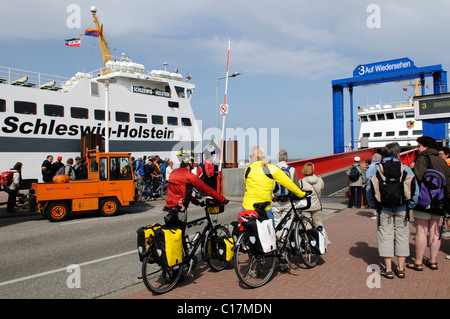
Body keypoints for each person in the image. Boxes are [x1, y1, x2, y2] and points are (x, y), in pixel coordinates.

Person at [366, 142, 419, 279]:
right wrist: (410, 206)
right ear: (398, 154)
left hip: (384, 208)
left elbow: (369, 190)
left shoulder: (377, 169)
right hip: (402, 207)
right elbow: (415, 189)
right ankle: (401, 268)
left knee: (385, 236)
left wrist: (375, 205)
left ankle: (388, 269)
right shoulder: (405, 168)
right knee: (402, 235)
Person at [407, 136, 450, 271]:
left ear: (425, 146)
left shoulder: (422, 159)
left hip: (423, 201)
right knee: (435, 231)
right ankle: (433, 261)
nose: (417, 149)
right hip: (439, 201)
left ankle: (418, 262)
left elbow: (417, 179)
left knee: (421, 230)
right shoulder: (442, 161)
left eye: (419, 146)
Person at [243, 146, 306, 226]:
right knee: (270, 232)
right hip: (264, 206)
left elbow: (246, 182)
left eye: (251, 156)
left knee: (246, 230)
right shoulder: (271, 168)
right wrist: (301, 194)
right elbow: (288, 183)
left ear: (255, 156)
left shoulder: (248, 169)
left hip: (247, 205)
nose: (250, 158)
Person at [163, 150, 228, 224]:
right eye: (193, 161)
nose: (194, 164)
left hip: (167, 209)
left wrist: (196, 202)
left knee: (171, 233)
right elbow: (207, 190)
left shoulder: (174, 173)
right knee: (180, 233)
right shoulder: (189, 176)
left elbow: (180, 192)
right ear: (190, 162)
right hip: (180, 210)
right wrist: (222, 199)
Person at [300, 162, 329, 244]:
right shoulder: (320, 180)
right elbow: (321, 190)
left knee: (306, 223)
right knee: (318, 223)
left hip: (306, 206)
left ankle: (310, 241)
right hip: (317, 205)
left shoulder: (301, 182)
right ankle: (325, 240)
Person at [271, 150, 300, 227]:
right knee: (287, 222)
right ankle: (284, 237)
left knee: (276, 223)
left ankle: (277, 237)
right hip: (288, 201)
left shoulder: (273, 168)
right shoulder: (292, 169)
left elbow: (269, 185)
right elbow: (297, 186)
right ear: (286, 158)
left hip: (275, 201)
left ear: (278, 158)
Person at [365, 153, 383, 219]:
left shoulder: (371, 166)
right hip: (381, 184)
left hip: (372, 183)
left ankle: (376, 213)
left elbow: (367, 176)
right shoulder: (383, 165)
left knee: (372, 197)